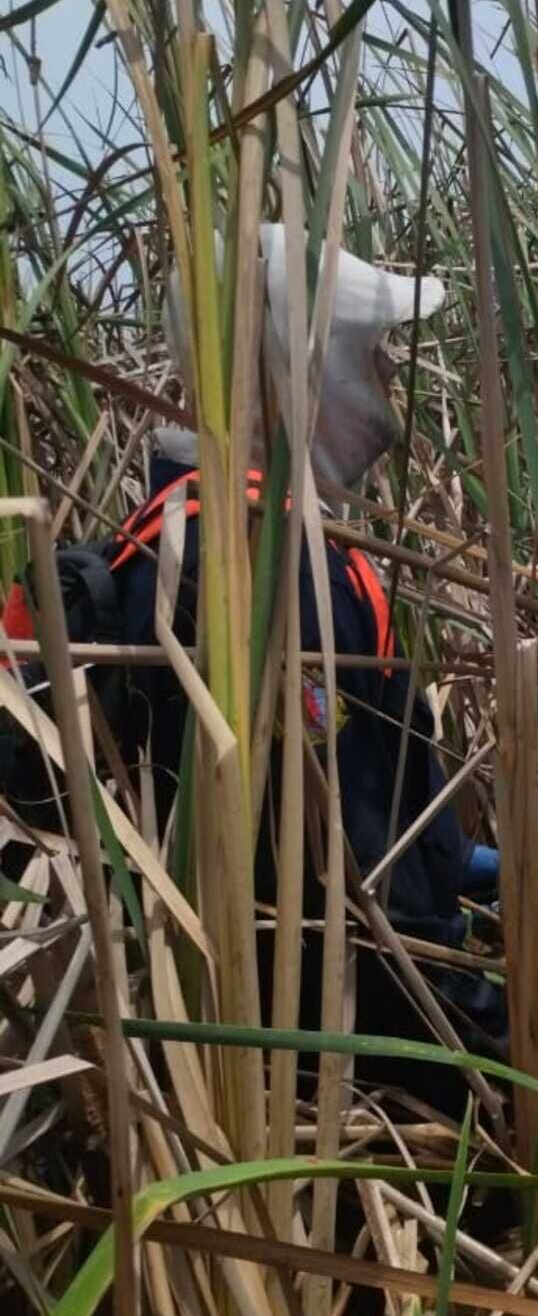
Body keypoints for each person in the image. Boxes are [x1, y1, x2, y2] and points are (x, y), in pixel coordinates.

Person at [0, 229, 505, 1111]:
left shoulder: (174, 529)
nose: (390, 372)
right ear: (305, 367)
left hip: (266, 1033)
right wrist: (495, 1067)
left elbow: (356, 806)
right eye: (371, 349)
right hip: (331, 1073)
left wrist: (464, 861)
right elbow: (349, 888)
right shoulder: (271, 571)